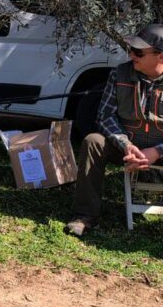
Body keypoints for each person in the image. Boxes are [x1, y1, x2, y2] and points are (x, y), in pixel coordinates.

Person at [65, 23, 163, 237]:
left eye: (138, 52)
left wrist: (156, 152)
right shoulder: (119, 74)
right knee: (93, 141)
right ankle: (84, 214)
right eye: (131, 50)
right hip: (127, 148)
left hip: (159, 152)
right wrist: (127, 146)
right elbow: (105, 116)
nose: (131, 55)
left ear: (161, 57)